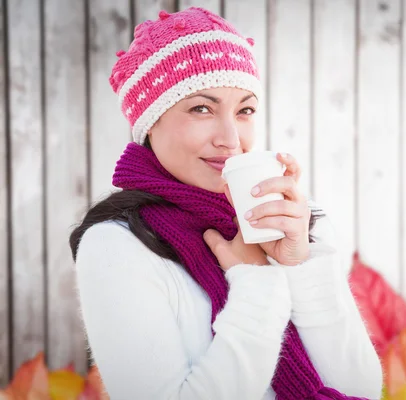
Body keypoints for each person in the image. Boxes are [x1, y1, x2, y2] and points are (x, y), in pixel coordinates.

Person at [70, 7, 382, 400]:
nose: (231, 139)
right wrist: (254, 283)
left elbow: (361, 389)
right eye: (201, 108)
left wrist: (300, 265)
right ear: (150, 123)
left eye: (245, 110)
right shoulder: (118, 246)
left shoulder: (290, 221)